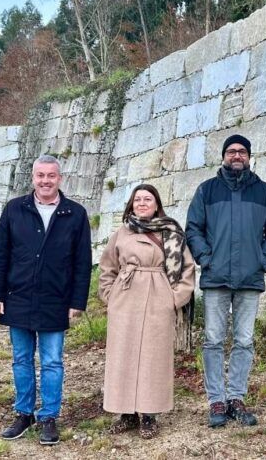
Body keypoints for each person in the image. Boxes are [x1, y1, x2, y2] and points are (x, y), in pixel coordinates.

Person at [0, 154, 92, 446]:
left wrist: (77, 301)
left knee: (53, 361)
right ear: (33, 177)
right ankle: (23, 413)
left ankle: (48, 416)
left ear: (60, 178)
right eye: (40, 175)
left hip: (55, 298)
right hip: (17, 296)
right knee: (21, 359)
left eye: (51, 176)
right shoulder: (14, 209)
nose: (45, 181)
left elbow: (83, 262)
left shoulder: (75, 214)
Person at [186, 134, 266, 428]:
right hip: (216, 278)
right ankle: (216, 399)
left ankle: (236, 398)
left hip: (249, 279)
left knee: (244, 341)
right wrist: (205, 258)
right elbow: (193, 228)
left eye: (242, 151)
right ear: (224, 156)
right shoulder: (207, 191)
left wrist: (262, 261)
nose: (237, 155)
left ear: (249, 156)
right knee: (213, 340)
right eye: (231, 151)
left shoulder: (264, 193)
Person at [99, 184, 195, 439]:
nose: (142, 203)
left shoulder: (170, 232)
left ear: (156, 204)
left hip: (158, 298)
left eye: (147, 199)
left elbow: (187, 270)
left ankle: (149, 415)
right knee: (123, 355)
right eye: (137, 199)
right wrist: (110, 296)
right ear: (131, 204)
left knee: (154, 358)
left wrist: (173, 300)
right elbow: (107, 267)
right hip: (125, 300)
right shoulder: (121, 233)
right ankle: (125, 413)